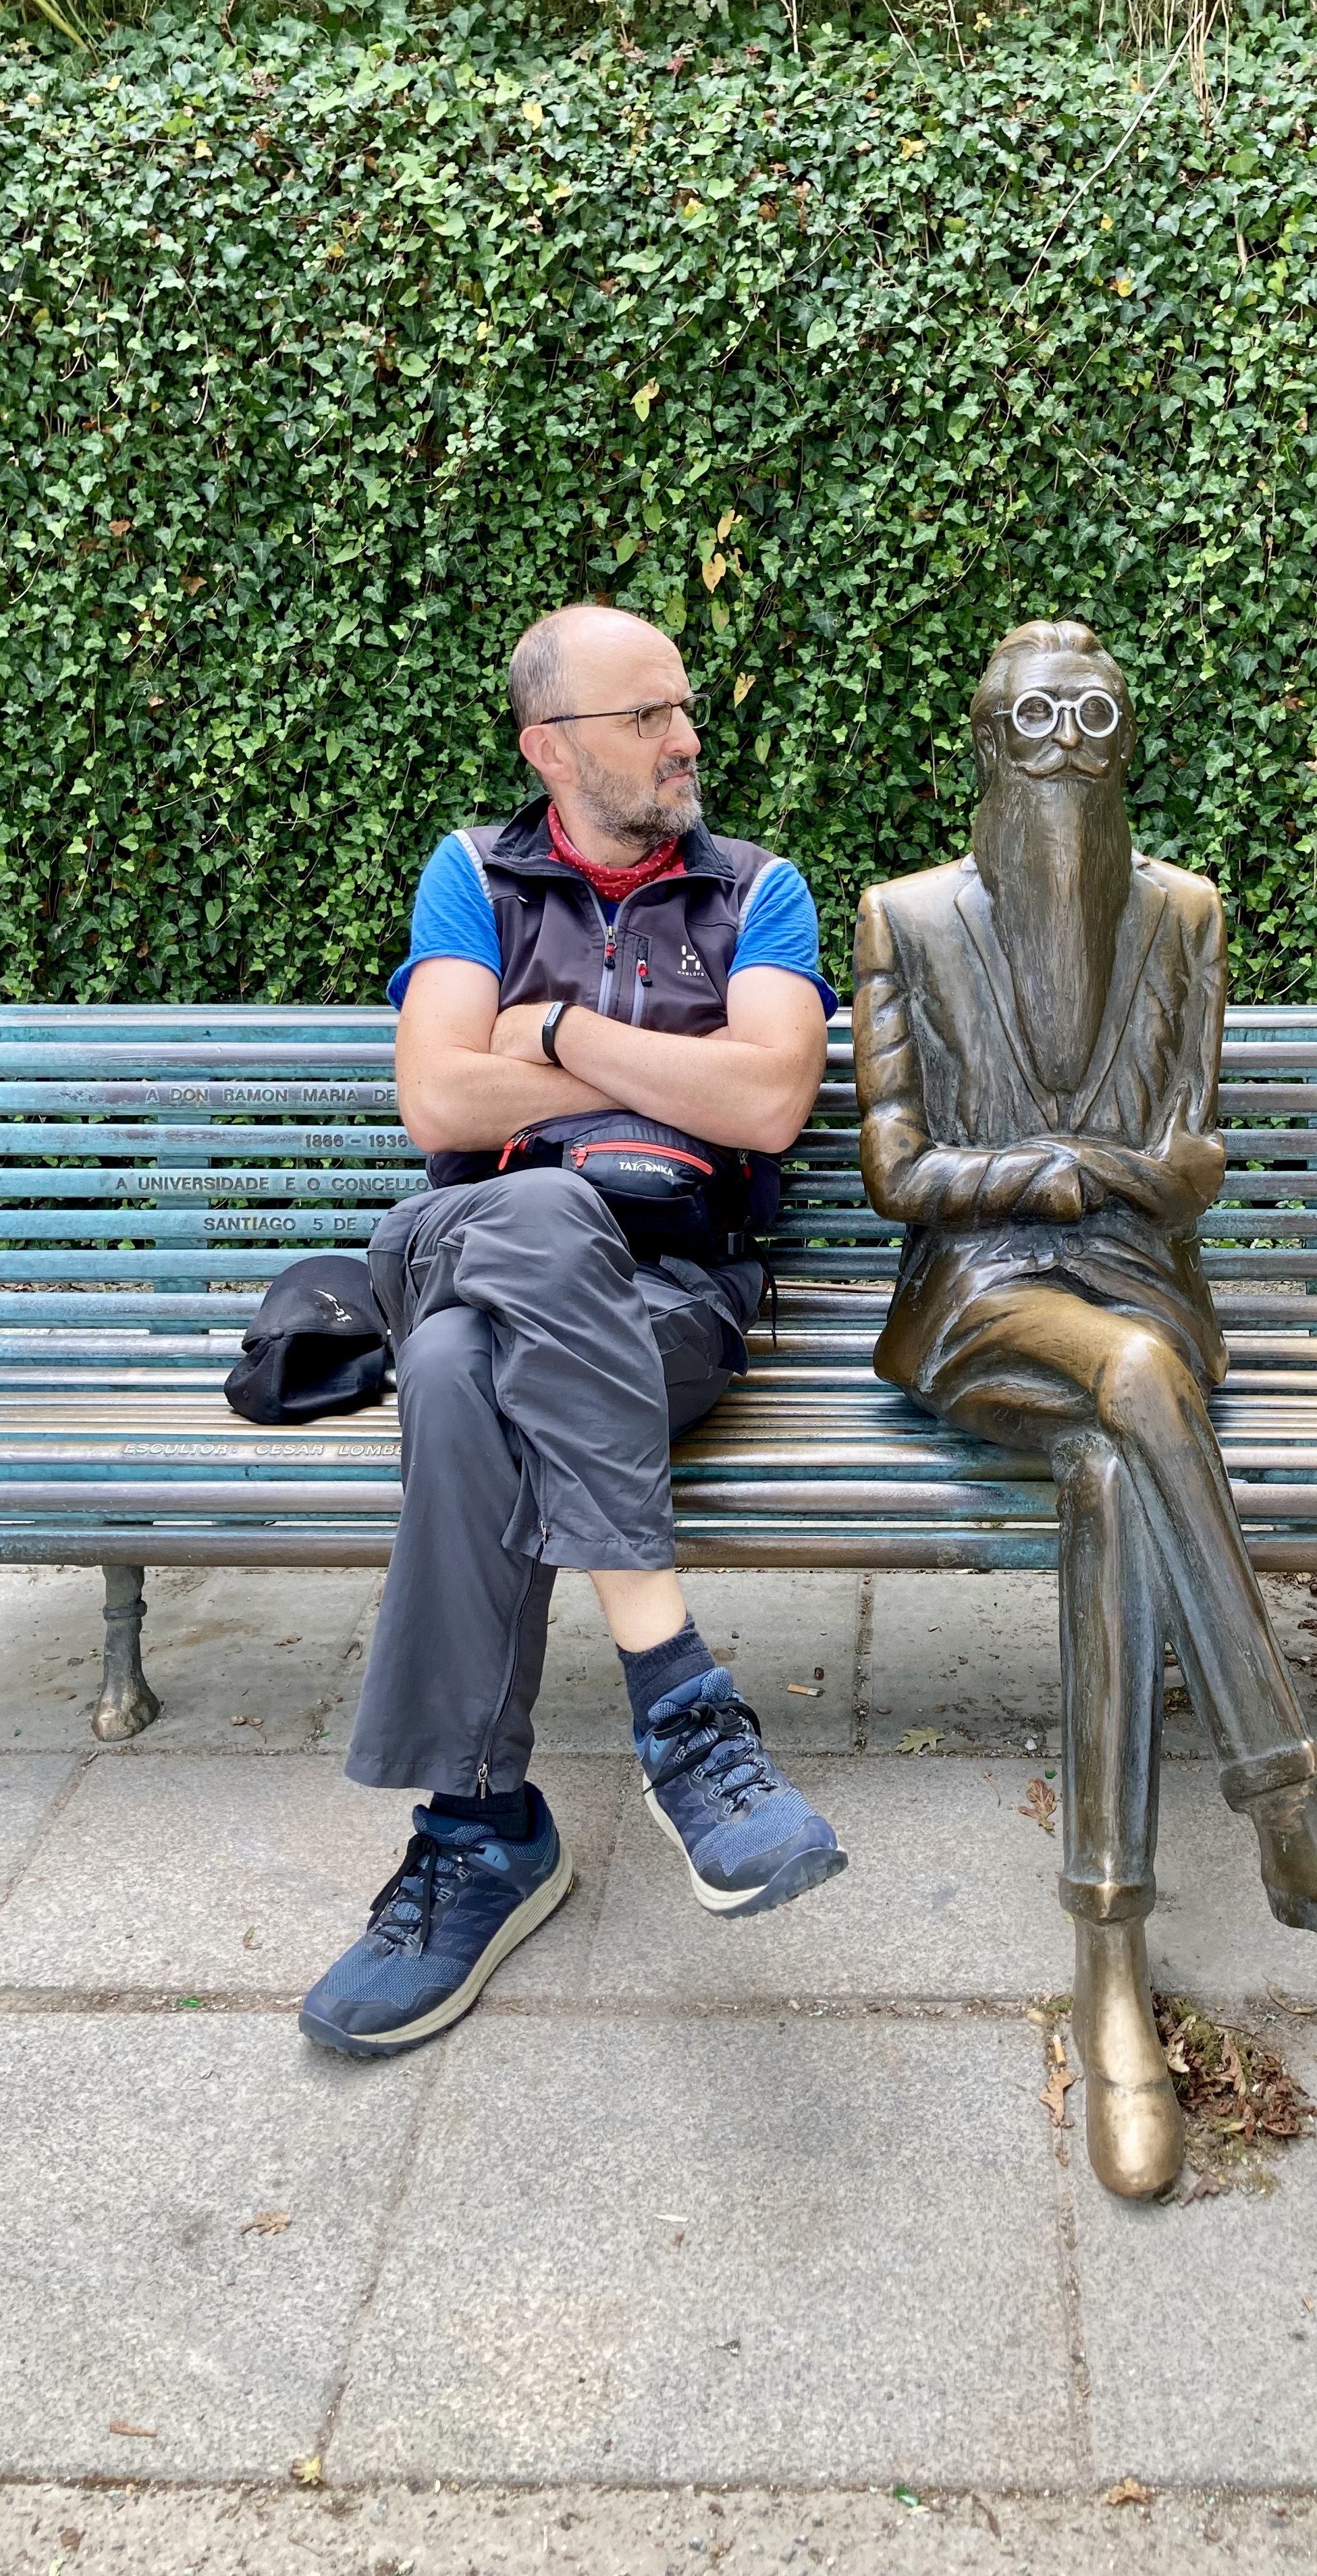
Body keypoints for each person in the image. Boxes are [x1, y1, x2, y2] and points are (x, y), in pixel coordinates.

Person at [854, 618, 1317, 2198]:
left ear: (1126, 736)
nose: (1063, 749)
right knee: (1132, 1381)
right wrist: (1061, 1173)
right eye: (1033, 720)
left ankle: (1112, 1965)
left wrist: (1104, 1177)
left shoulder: (1187, 911)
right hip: (984, 1306)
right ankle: (1292, 1820)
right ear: (986, 739)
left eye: (1094, 718)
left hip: (1146, 1288)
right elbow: (900, 1175)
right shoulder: (905, 919)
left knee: (1111, 1476)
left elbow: (1195, 1167)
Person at [300, 605, 847, 2058]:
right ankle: (683, 1714)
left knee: (452, 1370)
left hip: (673, 1298)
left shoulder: (758, 890)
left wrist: (550, 1039)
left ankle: (479, 1832)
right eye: (646, 716)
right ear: (550, 747)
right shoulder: (473, 876)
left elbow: (767, 1105)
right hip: (470, 1242)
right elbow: (437, 1101)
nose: (685, 739)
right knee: (538, 1218)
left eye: (685, 709)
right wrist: (674, 1075)